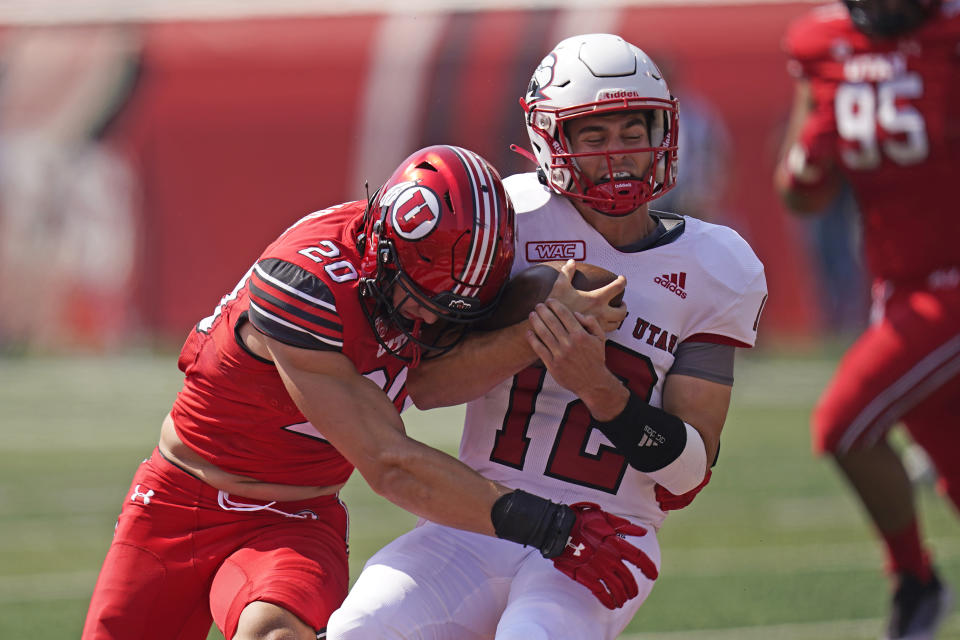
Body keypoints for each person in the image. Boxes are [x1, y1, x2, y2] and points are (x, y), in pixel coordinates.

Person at [81, 144, 650, 640]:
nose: (429, 325)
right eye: (419, 303)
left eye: (453, 313)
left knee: (274, 635)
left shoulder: (434, 280)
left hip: (293, 515)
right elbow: (389, 463)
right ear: (380, 251)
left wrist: (546, 326)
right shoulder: (305, 283)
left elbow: (428, 383)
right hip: (179, 499)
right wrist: (553, 528)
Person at [329, 34, 768, 640]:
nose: (618, 155)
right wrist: (533, 338)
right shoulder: (507, 217)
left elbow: (688, 472)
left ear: (662, 132)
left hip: (609, 531)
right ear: (551, 139)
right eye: (594, 135)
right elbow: (427, 386)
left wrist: (598, 388)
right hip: (480, 515)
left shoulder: (716, 263)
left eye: (632, 131)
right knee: (360, 629)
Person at [775, 0, 960, 637]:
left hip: (953, 288)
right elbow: (800, 193)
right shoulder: (823, 43)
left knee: (844, 423)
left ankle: (915, 581)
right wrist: (812, 153)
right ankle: (918, 586)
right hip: (898, 289)